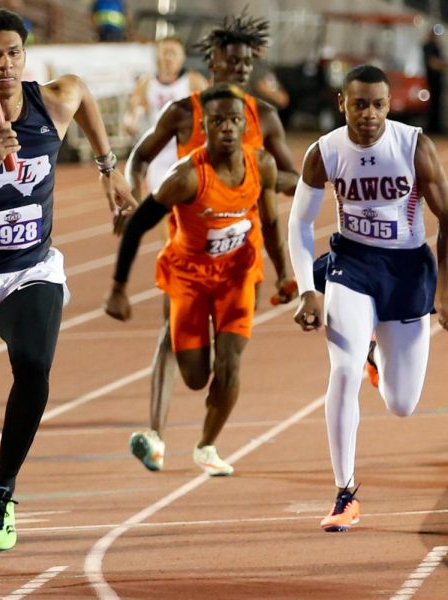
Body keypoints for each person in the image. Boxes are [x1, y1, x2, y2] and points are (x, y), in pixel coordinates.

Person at [0, 7, 136, 579]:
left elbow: (84, 94)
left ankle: (3, 489)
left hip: (29, 271)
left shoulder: (52, 101)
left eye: (14, 52)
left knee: (34, 365)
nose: (6, 64)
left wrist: (107, 164)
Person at [120, 12, 299, 475]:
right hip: (186, 233)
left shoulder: (266, 118)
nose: (239, 68)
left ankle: (207, 441)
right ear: (212, 61)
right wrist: (130, 195)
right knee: (173, 331)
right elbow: (139, 157)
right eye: (231, 60)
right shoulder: (184, 111)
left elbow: (290, 172)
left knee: (231, 356)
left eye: (246, 62)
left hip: (241, 251)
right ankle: (156, 434)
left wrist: (283, 182)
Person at [288, 64, 448, 532]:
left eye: (378, 104)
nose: (370, 114)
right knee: (341, 369)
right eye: (359, 104)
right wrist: (306, 290)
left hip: (406, 269)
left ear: (388, 104)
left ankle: (374, 355)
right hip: (352, 265)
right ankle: (345, 493)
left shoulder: (413, 145)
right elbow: (298, 224)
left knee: (402, 403)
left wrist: (444, 289)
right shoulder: (325, 152)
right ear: (343, 104)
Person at [123, 36, 207, 194]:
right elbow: (133, 110)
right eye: (165, 52)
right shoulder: (146, 83)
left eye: (173, 53)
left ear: (182, 57)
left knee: (190, 196)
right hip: (159, 149)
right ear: (157, 56)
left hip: (186, 148)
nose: (168, 58)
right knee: (160, 197)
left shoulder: (194, 81)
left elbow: (211, 109)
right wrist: (130, 122)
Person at [422, 26, 446, 134]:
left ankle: (435, 127)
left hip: (436, 81)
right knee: (432, 105)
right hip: (430, 81)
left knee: (436, 106)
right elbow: (433, 63)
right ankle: (433, 129)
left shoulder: (435, 47)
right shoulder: (428, 47)